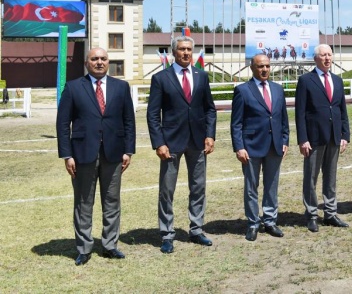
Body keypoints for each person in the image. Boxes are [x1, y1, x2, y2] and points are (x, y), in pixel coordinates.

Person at [56, 48, 136, 265]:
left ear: (108, 62)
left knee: (112, 201)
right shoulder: (73, 88)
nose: (99, 62)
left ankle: (110, 245)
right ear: (86, 62)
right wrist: (67, 154)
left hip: (114, 153)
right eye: (95, 59)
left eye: (103, 58)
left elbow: (129, 120)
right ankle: (83, 248)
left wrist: (128, 150)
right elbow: (63, 124)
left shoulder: (121, 87)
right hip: (82, 154)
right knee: (83, 202)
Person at [147, 36, 217, 253]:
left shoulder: (201, 76)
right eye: (182, 49)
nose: (186, 53)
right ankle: (167, 234)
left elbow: (209, 109)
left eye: (189, 49)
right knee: (167, 190)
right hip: (171, 143)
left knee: (198, 187)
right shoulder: (161, 78)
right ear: (174, 52)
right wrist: (159, 143)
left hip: (197, 141)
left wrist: (210, 135)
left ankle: (196, 230)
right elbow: (152, 114)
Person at [231, 53, 290, 241]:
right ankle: (253, 223)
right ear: (252, 68)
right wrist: (239, 147)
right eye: (260, 66)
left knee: (272, 185)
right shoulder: (242, 90)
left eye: (267, 66)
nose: (264, 69)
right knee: (251, 186)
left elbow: (283, 118)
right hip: (251, 147)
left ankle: (270, 221)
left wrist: (285, 140)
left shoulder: (278, 89)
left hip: (275, 146)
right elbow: (236, 123)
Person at [295, 44, 350, 232]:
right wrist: (303, 139)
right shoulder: (305, 80)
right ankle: (311, 214)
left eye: (329, 55)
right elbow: (300, 112)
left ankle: (330, 213)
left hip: (334, 136)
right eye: (323, 55)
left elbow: (342, 109)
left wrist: (345, 135)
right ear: (316, 58)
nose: (327, 58)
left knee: (331, 177)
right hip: (314, 137)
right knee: (311, 177)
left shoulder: (337, 80)